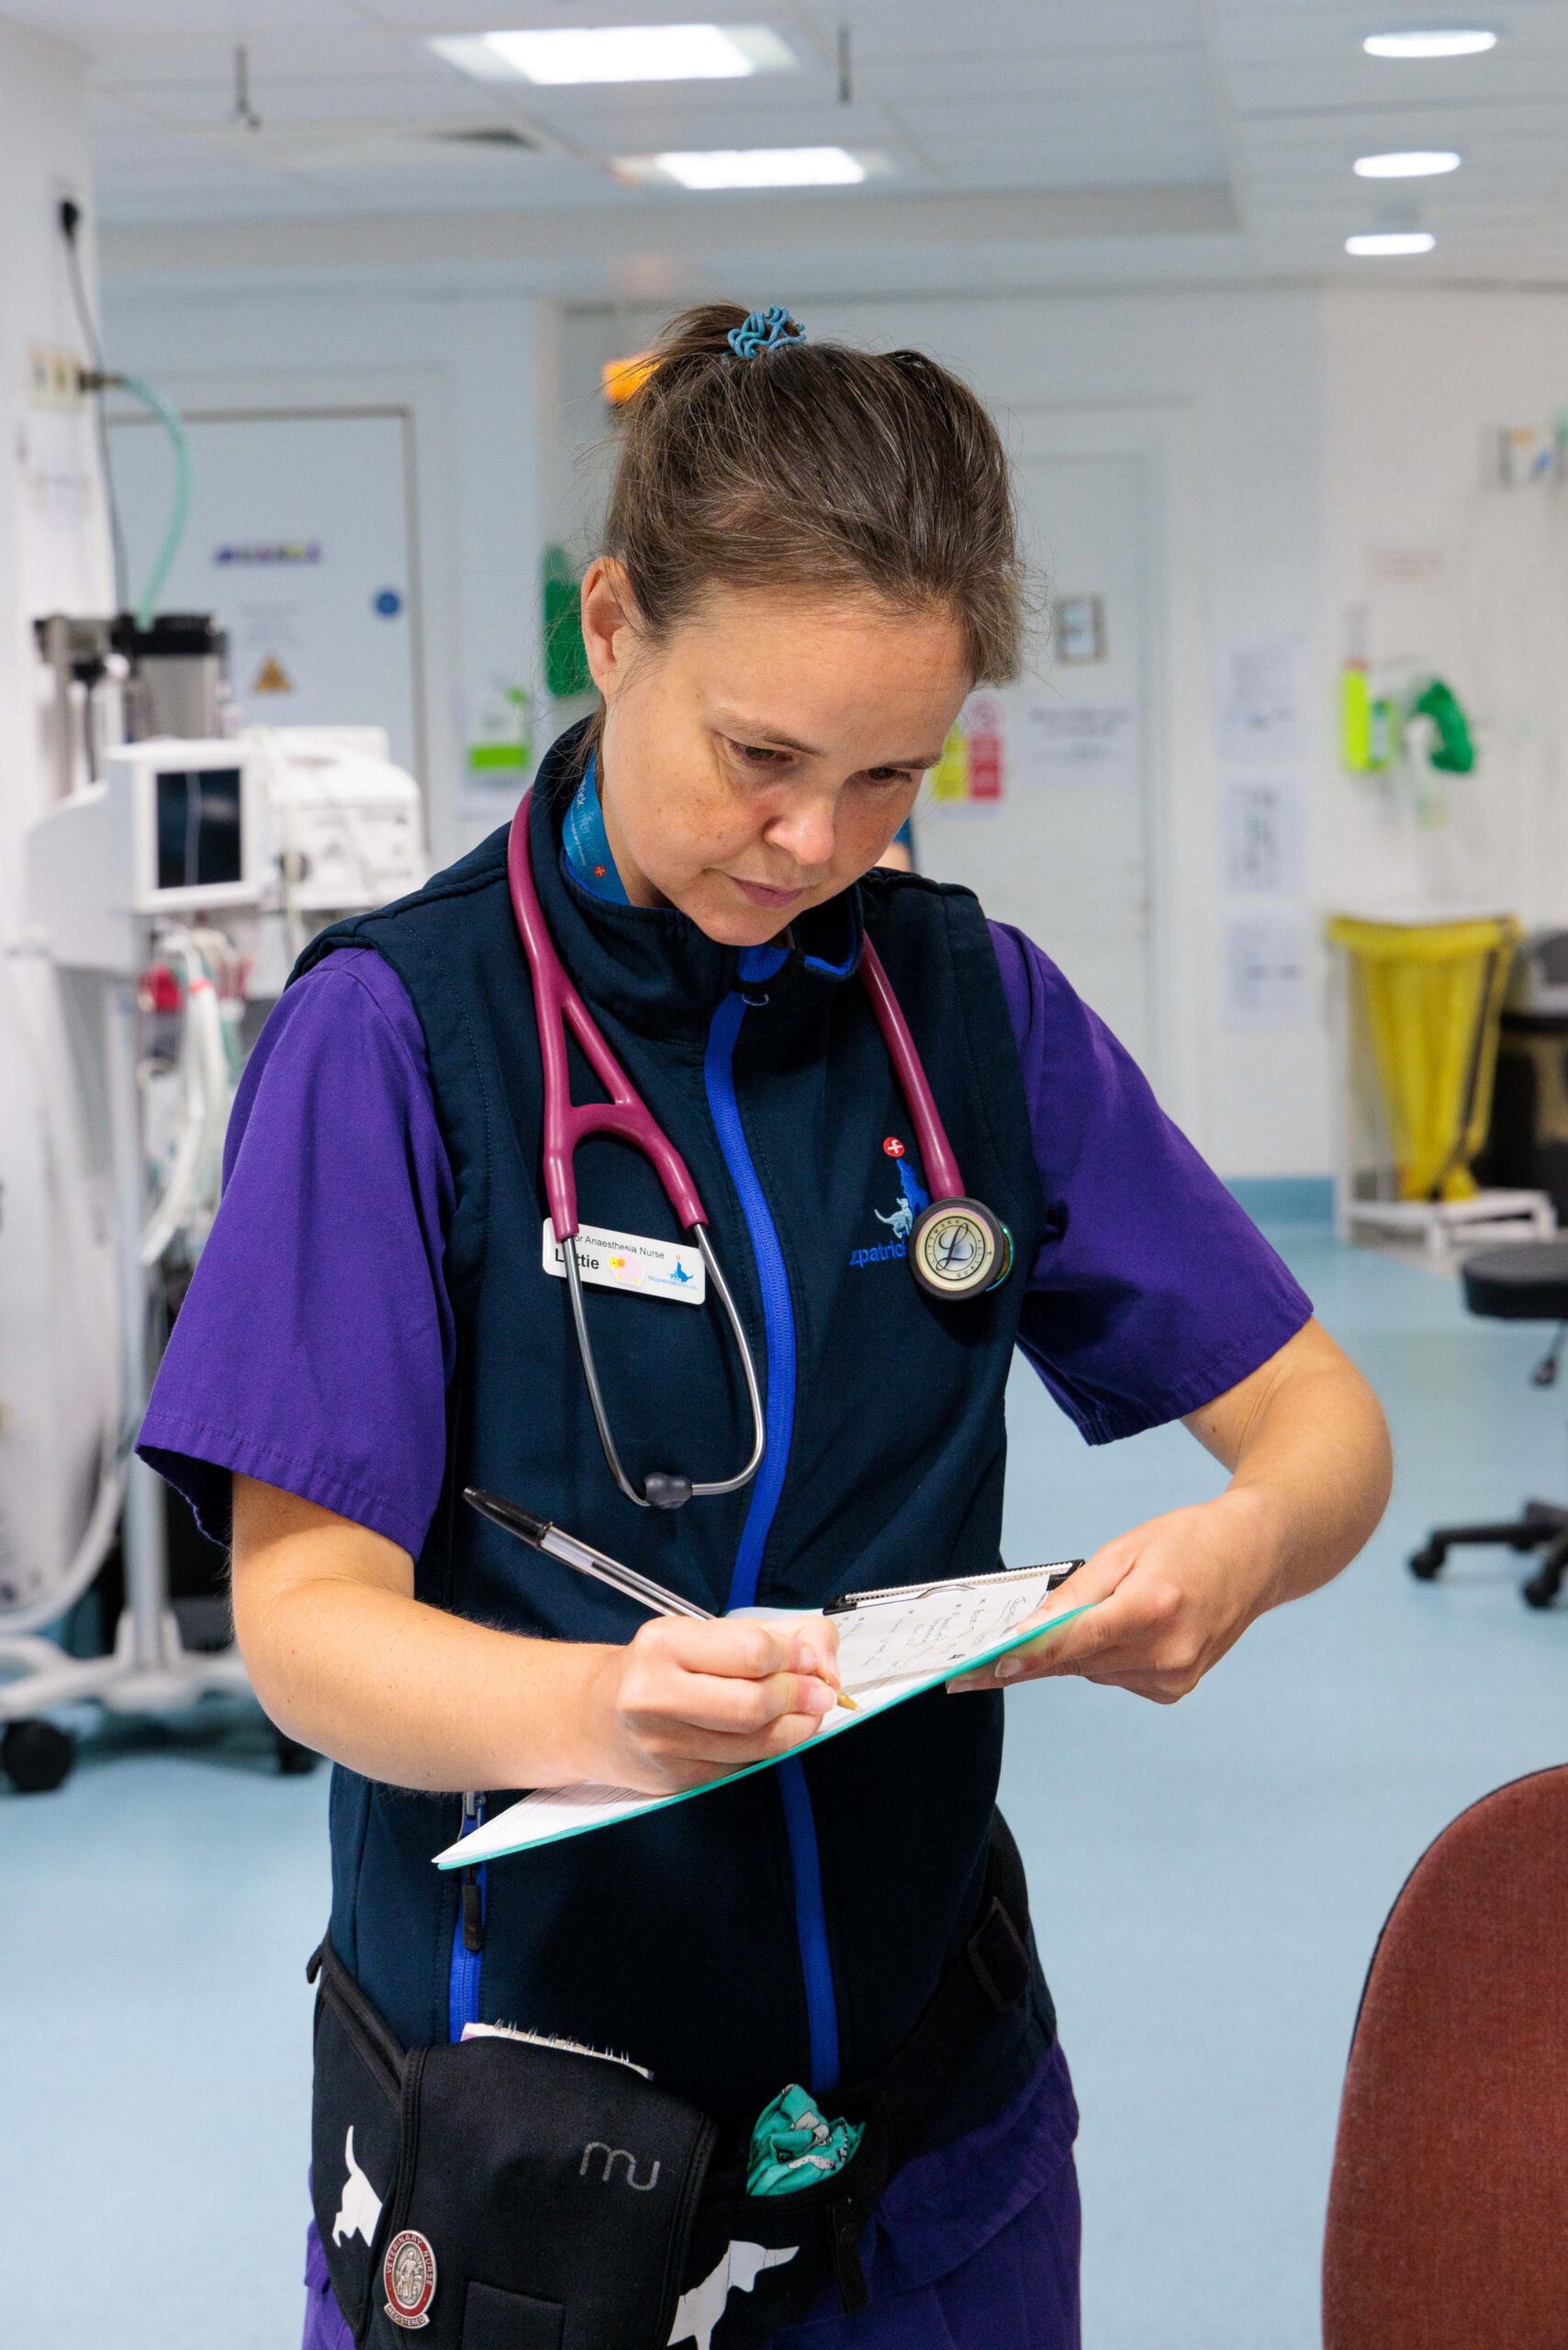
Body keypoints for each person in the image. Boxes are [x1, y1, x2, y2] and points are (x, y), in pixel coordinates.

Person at [140, 302, 1391, 2348]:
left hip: (927, 2122)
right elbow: (304, 1630)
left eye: (890, 773)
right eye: (760, 758)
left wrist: (1239, 1550)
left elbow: (1323, 1422)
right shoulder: (399, 1037)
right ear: (613, 622)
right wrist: (600, 1713)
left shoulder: (963, 1011)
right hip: (524, 2143)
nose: (814, 844)